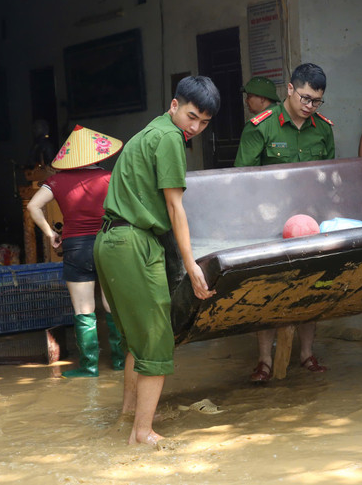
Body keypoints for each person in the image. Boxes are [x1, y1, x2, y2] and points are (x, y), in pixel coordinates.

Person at [94, 75, 220, 446]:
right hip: (133, 243)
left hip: (111, 241)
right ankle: (142, 434)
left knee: (137, 339)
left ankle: (130, 416)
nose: (195, 128)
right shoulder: (169, 138)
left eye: (204, 123)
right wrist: (192, 264)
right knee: (156, 339)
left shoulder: (150, 131)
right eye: (192, 117)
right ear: (174, 105)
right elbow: (175, 206)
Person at [234, 63, 334, 382]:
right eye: (305, 98)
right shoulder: (261, 127)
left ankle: (306, 354)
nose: (310, 106)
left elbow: (329, 178)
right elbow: (242, 181)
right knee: (269, 290)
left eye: (316, 101)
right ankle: (264, 360)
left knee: (311, 287)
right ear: (290, 89)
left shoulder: (323, 129)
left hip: (311, 224)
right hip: (269, 225)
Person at [27, 125, 125, 378]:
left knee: (83, 309)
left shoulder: (56, 181)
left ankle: (89, 367)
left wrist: (50, 233)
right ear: (97, 154)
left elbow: (33, 206)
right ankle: (119, 362)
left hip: (76, 248)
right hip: (109, 244)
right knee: (113, 306)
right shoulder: (111, 177)